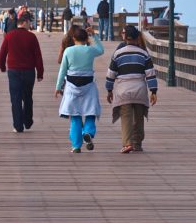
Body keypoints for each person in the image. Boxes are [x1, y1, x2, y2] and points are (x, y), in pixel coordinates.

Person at [105, 24, 158, 153]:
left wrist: (109, 90)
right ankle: (137, 143)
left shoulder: (117, 54)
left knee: (126, 117)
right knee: (139, 118)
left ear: (125, 38)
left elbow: (111, 74)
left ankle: (127, 143)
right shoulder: (144, 54)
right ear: (136, 37)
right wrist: (153, 91)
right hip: (140, 90)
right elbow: (150, 74)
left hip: (123, 90)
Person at [55, 24, 104, 153]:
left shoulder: (68, 51)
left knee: (75, 116)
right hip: (88, 85)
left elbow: (62, 70)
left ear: (73, 38)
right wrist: (94, 35)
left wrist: (58, 86)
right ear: (86, 38)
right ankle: (88, 132)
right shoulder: (90, 50)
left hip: (72, 85)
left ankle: (76, 146)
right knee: (90, 113)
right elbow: (101, 50)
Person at [0, 10, 44, 133]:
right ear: (25, 22)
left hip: (14, 72)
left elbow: (2, 55)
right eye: (29, 23)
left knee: (16, 99)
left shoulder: (9, 36)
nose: (30, 25)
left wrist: (2, 67)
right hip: (29, 71)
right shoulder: (32, 37)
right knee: (28, 97)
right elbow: (38, 56)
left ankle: (18, 126)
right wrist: (40, 73)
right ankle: (28, 121)